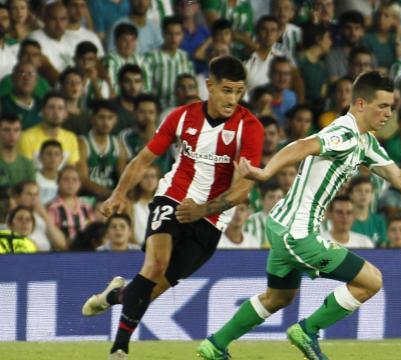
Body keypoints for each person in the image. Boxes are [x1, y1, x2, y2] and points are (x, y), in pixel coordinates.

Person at [196, 71, 401, 360]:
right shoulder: (345, 133)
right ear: (361, 104)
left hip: (282, 226)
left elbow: (398, 177)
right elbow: (301, 146)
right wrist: (266, 172)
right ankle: (308, 330)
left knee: (278, 297)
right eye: (383, 106)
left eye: (391, 107)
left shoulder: (365, 141)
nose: (389, 113)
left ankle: (214, 345)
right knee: (371, 280)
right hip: (298, 234)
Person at [81, 56, 264, 359]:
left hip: (211, 219)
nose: (233, 99)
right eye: (227, 90)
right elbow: (143, 159)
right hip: (173, 197)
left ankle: (116, 296)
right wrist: (118, 195)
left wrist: (203, 210)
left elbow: (244, 188)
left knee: (151, 290)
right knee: (154, 266)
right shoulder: (181, 116)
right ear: (209, 86)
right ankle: (119, 349)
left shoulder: (250, 128)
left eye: (239, 91)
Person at [77, 100, 127, 200]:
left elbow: (123, 178)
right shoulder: (82, 143)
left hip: (111, 196)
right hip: (87, 197)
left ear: (115, 120)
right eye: (101, 117)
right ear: (92, 119)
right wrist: (109, 194)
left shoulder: (118, 144)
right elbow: (82, 180)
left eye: (110, 117)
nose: (106, 122)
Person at [18, 91, 80, 168]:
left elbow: (71, 170)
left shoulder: (71, 138)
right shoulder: (26, 137)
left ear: (65, 114)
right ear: (42, 111)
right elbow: (26, 170)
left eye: (60, 108)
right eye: (51, 107)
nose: (56, 112)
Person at [145, 16, 194, 109]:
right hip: (157, 108)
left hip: (182, 107)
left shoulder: (186, 57)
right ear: (163, 34)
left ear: (183, 35)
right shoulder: (151, 57)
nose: (173, 38)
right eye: (169, 34)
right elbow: (146, 88)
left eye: (177, 34)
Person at [48, 165, 94, 243]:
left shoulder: (86, 207)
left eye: (74, 180)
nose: (70, 183)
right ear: (58, 183)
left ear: (80, 184)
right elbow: (51, 234)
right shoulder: (53, 207)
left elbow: (93, 231)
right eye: (66, 179)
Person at [349, 176, 388, 247]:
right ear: (351, 195)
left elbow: (383, 249)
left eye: (367, 191)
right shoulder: (344, 220)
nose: (363, 194)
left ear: (372, 195)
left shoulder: (379, 221)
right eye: (359, 190)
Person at [0, 113, 35, 189]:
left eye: (16, 130)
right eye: (6, 130)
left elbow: (31, 193)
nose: (11, 134)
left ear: (21, 133)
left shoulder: (27, 165)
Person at [244, 182, 284, 248]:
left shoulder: (290, 222)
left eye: (279, 197)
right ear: (262, 200)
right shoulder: (249, 221)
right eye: (271, 197)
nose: (276, 201)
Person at [127, 165, 160, 245]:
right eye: (145, 177)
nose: (149, 181)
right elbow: (129, 233)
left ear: (158, 180)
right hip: (137, 250)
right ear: (138, 180)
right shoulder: (130, 204)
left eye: (153, 176)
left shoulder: (163, 203)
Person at [36, 140, 63, 205]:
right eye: (48, 154)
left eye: (56, 154)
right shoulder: (33, 178)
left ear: (62, 158)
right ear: (40, 157)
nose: (52, 157)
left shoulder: (66, 179)